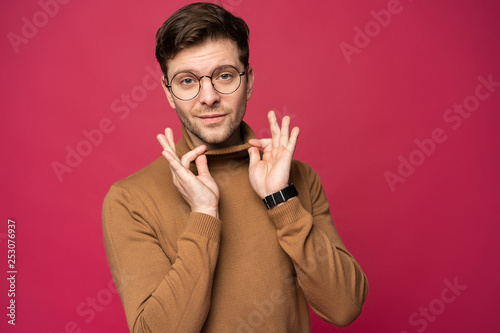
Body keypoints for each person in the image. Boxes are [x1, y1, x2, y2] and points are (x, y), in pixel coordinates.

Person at [102, 2, 368, 332]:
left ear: (249, 81)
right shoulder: (130, 200)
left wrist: (281, 200)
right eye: (187, 81)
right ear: (169, 93)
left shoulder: (297, 179)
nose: (209, 97)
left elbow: (344, 307)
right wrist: (203, 215)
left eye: (224, 75)